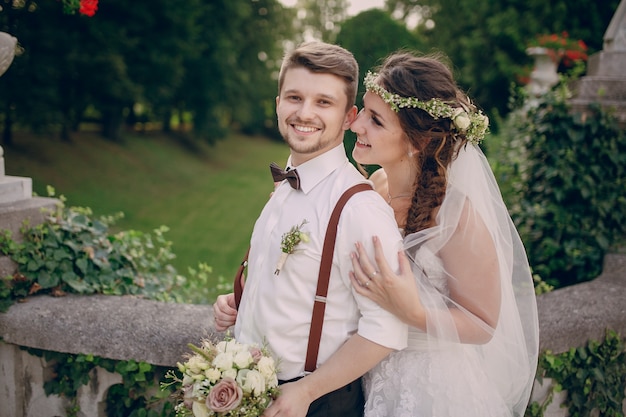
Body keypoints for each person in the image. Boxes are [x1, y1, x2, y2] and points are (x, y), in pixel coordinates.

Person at [212, 41, 408, 417]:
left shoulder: (359, 207)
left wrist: (305, 393)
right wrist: (245, 302)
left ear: (349, 116)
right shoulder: (285, 184)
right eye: (294, 97)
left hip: (315, 403)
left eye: (323, 102)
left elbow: (387, 329)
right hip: (254, 392)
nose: (304, 113)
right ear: (277, 103)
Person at [348, 51, 539, 417]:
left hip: (431, 389)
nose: (357, 126)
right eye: (363, 111)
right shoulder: (376, 185)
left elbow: (483, 324)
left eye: (375, 120)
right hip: (369, 373)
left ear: (416, 141)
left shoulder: (456, 215)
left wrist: (414, 312)